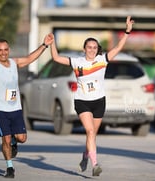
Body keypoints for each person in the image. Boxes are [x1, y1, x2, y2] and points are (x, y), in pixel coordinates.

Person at [48, 16, 134, 176]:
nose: (92, 49)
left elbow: (118, 48)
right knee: (89, 132)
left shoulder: (103, 60)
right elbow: (56, 58)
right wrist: (52, 43)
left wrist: (127, 32)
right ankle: (95, 165)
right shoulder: (77, 62)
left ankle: (85, 157)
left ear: (97, 49)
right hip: (82, 102)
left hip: (99, 102)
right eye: (89, 47)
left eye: (95, 47)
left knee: (92, 134)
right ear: (84, 48)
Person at [0, 32, 53, 178]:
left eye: (5, 50)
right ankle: (9, 167)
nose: (3, 53)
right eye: (0, 50)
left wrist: (45, 45)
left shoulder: (14, 63)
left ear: (8, 50)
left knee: (22, 138)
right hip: (0, 110)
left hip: (15, 108)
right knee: (6, 138)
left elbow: (30, 58)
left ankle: (15, 142)